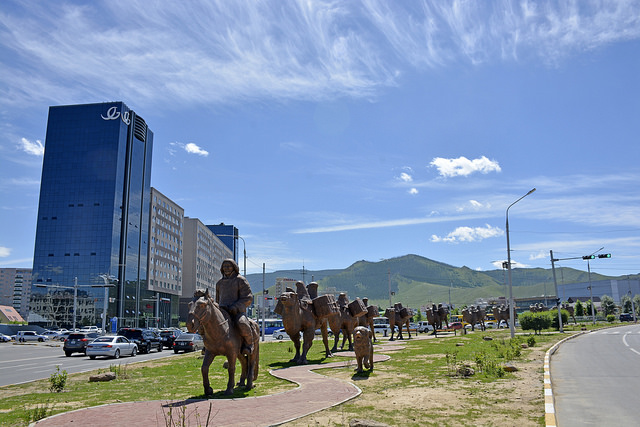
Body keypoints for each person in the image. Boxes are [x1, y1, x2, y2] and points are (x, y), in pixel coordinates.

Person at [215, 258, 254, 355]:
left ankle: (249, 345)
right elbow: (217, 299)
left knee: (242, 323)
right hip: (222, 311)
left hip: (237, 312)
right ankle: (209, 346)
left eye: (229, 266)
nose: (226, 268)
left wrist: (235, 306)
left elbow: (248, 298)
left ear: (234, 267)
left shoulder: (240, 280)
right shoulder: (219, 283)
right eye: (224, 267)